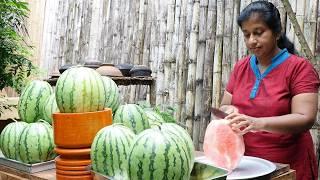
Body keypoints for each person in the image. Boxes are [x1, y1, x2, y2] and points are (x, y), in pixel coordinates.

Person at [219, 1, 320, 179]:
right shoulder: (241, 67)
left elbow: (305, 118)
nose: (252, 41)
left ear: (277, 32)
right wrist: (228, 113)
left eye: (258, 33)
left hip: (287, 167)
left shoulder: (299, 68)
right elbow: (224, 107)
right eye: (246, 34)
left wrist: (257, 123)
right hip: (246, 165)